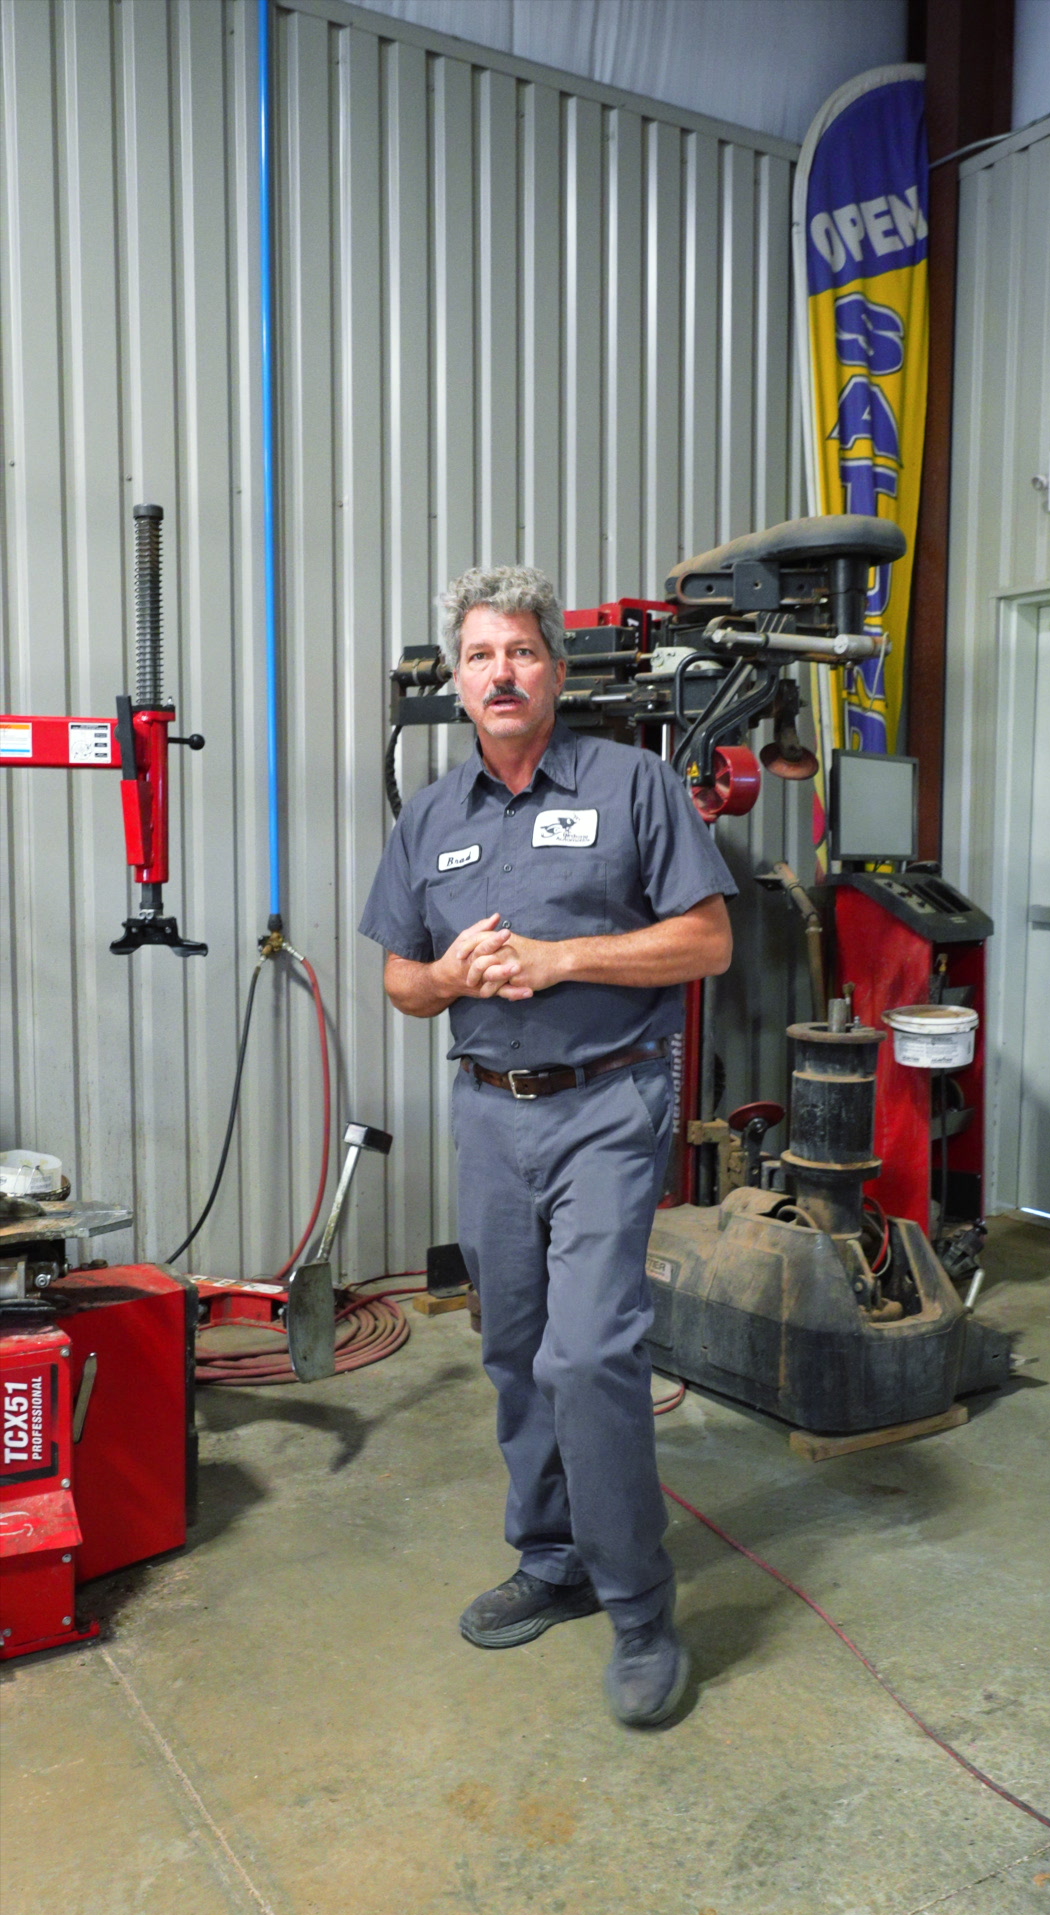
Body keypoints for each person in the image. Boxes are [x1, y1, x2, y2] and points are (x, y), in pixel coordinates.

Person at [360, 565, 736, 1726]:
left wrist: (563, 957)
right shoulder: (430, 816)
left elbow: (707, 943)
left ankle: (639, 1608)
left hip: (608, 1105)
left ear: (558, 672)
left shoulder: (633, 785)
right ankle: (554, 1556)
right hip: (488, 1112)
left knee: (588, 1356)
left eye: (521, 650)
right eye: (480, 655)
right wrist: (446, 974)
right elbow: (399, 981)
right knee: (517, 1349)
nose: (502, 673)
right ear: (458, 680)